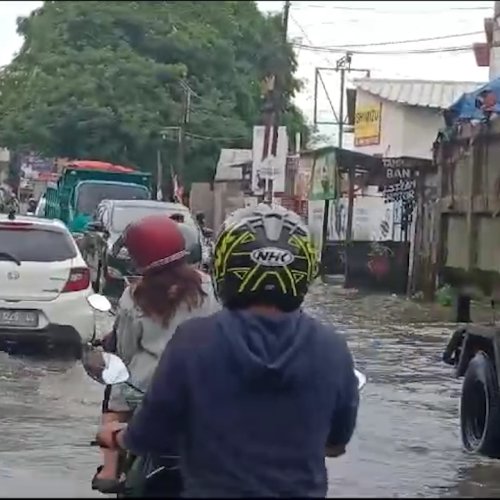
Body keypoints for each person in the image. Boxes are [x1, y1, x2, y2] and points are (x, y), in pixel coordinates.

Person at [97, 203, 360, 497]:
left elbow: (151, 432)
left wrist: (119, 437)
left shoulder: (193, 340)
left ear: (226, 266)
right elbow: (336, 444)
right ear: (305, 271)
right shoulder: (332, 348)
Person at [93, 214, 220, 493]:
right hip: (202, 384)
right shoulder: (211, 288)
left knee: (114, 389)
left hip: (146, 387)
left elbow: (125, 350)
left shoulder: (134, 296)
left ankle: (110, 468)